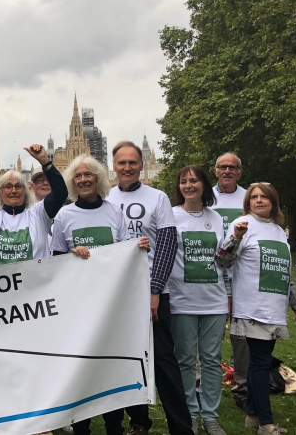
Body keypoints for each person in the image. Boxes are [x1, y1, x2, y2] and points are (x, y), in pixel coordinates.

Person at [51, 154, 149, 435]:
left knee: (109, 370)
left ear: (98, 178)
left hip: (110, 307)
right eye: (78, 176)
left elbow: (125, 253)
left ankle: (114, 426)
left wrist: (138, 248)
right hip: (78, 306)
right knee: (82, 369)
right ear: (73, 182)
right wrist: (71, 255)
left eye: (88, 175)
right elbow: (56, 263)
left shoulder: (114, 212)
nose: (83, 180)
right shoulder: (64, 216)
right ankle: (81, 427)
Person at [105, 141, 192, 435]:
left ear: (141, 165)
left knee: (164, 363)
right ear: (113, 166)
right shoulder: (105, 197)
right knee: (126, 363)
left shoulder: (157, 197)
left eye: (132, 162)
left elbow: (167, 244)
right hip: (117, 296)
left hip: (152, 294)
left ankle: (182, 427)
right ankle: (139, 423)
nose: (127, 167)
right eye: (121, 163)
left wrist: (154, 290)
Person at [217, 183, 293, 435]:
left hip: (274, 307)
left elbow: (284, 270)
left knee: (258, 363)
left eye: (265, 197)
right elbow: (224, 260)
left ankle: (251, 413)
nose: (259, 201)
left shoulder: (279, 230)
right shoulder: (242, 225)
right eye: (254, 197)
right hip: (252, 307)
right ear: (248, 202)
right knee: (260, 362)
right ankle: (265, 423)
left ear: (273, 202)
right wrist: (236, 237)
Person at [167, 166, 228, 435]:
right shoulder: (170, 215)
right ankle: (190, 413)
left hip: (213, 300)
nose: (189, 185)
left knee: (212, 360)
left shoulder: (216, 218)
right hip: (182, 300)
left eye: (194, 180)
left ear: (204, 185)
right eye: (184, 181)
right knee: (185, 361)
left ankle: (211, 417)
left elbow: (224, 259)